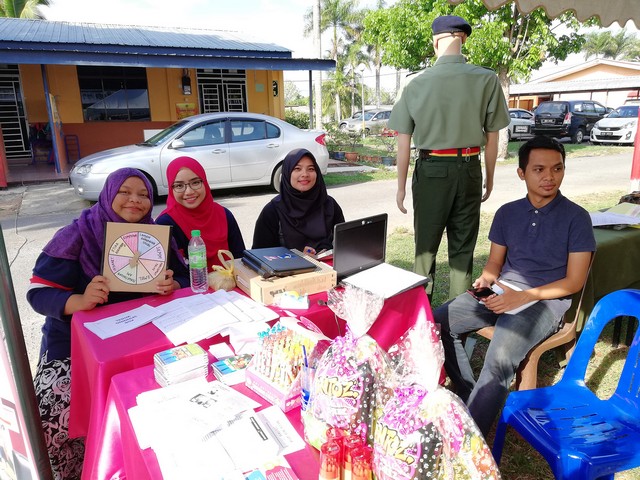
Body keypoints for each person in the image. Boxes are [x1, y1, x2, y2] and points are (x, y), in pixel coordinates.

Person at [27, 168, 189, 479]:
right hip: (73, 347)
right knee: (51, 421)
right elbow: (38, 293)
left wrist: (174, 283)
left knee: (151, 409)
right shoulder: (77, 234)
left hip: (140, 340)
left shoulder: (154, 236)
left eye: (143, 195)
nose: (135, 200)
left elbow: (183, 276)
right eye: (124, 192)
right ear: (107, 194)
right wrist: (79, 301)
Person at [433, 136, 596, 437]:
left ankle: (470, 441)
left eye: (557, 168)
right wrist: (486, 278)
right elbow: (495, 263)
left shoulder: (577, 218)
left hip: (546, 301)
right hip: (503, 290)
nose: (549, 177)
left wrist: (523, 297)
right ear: (522, 173)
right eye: (539, 169)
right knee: (438, 321)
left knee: (500, 358)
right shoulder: (507, 212)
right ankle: (470, 395)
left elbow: (574, 282)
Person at [387, 15, 511, 299]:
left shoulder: (414, 83)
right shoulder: (487, 79)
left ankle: (421, 317)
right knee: (462, 252)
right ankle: (459, 318)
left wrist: (401, 187)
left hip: (431, 170)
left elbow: (403, 142)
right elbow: (492, 138)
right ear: (463, 39)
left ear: (435, 43)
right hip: (470, 168)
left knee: (424, 250)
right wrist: (489, 179)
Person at [156, 156, 245, 269]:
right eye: (179, 185)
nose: (189, 191)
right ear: (171, 189)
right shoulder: (165, 224)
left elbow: (240, 258)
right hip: (192, 281)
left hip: (230, 278)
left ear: (205, 182)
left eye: (195, 182)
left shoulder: (223, 214)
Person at [252, 148, 345, 255]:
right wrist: (297, 257)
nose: (305, 174)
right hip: (288, 266)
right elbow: (260, 256)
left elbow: (345, 244)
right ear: (287, 173)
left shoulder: (329, 204)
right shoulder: (272, 210)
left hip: (328, 265)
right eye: (297, 169)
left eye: (311, 169)